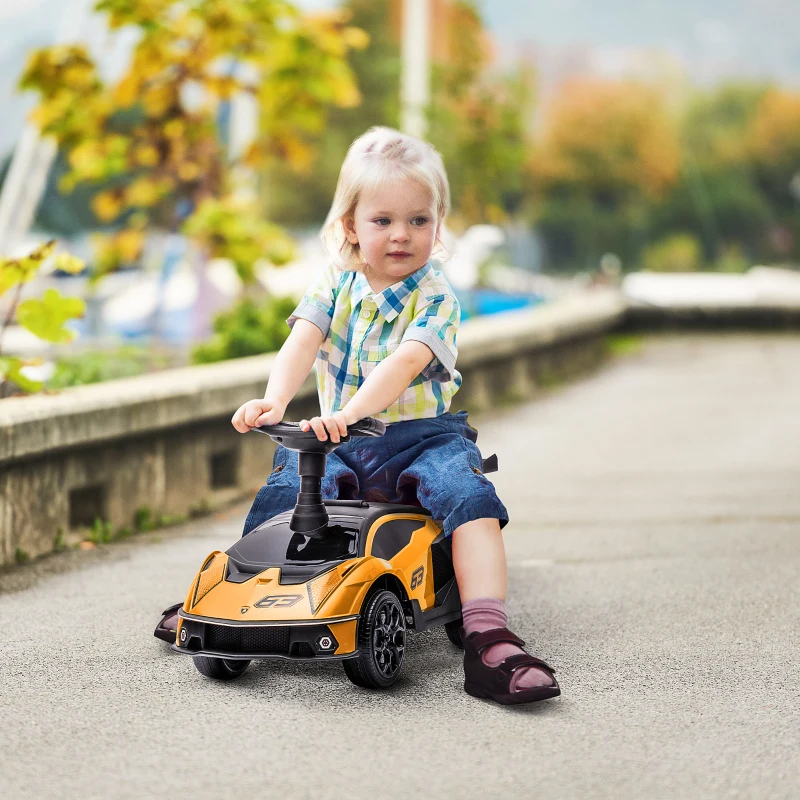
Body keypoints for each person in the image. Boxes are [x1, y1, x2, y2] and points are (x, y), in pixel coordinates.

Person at [231, 127, 560, 705]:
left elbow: (407, 361)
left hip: (420, 436)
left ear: (438, 224)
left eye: (418, 221)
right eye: (383, 221)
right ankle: (245, 595)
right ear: (351, 226)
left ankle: (488, 633)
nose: (402, 236)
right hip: (340, 436)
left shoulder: (436, 297)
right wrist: (275, 401)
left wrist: (353, 411)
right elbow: (304, 340)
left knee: (465, 492)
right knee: (290, 485)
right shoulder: (336, 282)